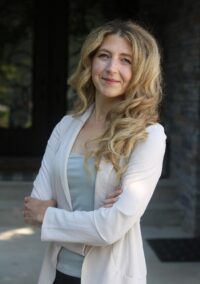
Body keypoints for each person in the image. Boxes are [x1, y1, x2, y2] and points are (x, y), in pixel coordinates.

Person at [24, 19, 166, 284]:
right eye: (104, 56)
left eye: (126, 60)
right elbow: (35, 206)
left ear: (141, 71)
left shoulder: (148, 136)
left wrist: (51, 214)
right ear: (90, 62)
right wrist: (97, 218)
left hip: (110, 276)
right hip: (58, 273)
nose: (112, 68)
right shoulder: (65, 127)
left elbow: (110, 228)